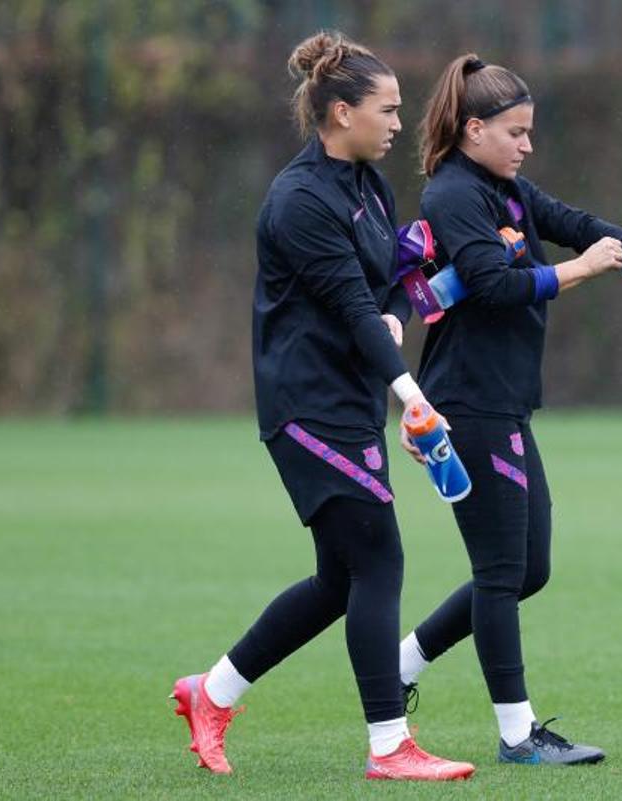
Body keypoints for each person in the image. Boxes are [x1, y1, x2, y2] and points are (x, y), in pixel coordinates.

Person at [170, 31, 474, 782]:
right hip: (306, 407)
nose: (401, 123)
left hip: (347, 400)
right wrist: (414, 399)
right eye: (389, 109)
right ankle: (389, 747)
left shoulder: (370, 186)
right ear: (341, 112)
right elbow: (346, 307)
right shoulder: (299, 199)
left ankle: (211, 693)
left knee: (342, 580)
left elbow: (383, 287)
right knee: (380, 557)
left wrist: (402, 307)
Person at [395, 53, 622, 765]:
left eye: (530, 131)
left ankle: (404, 663)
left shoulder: (505, 187)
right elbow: (491, 285)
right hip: (467, 404)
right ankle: (518, 734)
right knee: (499, 570)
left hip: (506, 402)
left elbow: (571, 220)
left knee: (528, 567)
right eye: (515, 132)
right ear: (474, 128)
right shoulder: (453, 194)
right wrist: (584, 268)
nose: (526, 145)